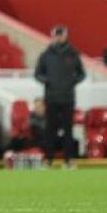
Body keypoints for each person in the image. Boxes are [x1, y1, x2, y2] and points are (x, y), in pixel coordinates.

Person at [34, 25, 86, 167]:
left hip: (68, 99)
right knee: (50, 131)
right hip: (51, 99)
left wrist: (71, 83)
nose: (58, 37)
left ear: (65, 36)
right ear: (53, 36)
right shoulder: (46, 55)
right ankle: (48, 160)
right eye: (56, 35)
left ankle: (68, 161)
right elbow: (37, 74)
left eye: (61, 34)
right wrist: (48, 82)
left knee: (68, 131)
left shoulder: (73, 54)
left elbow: (82, 74)